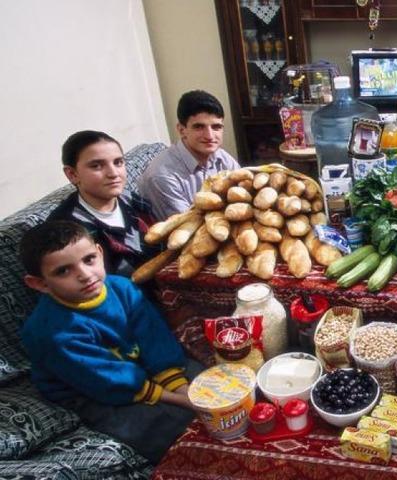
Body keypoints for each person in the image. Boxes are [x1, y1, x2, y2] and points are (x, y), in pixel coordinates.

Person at [19, 221, 201, 463]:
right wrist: (181, 400)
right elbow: (104, 380)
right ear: (39, 283)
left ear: (100, 252)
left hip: (136, 363)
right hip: (90, 388)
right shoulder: (51, 333)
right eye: (63, 271)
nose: (85, 275)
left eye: (89, 259)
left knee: (210, 382)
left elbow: (154, 338)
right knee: (165, 427)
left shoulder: (122, 287)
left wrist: (181, 386)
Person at [48, 130, 159, 278]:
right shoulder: (67, 230)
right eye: (96, 166)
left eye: (118, 162)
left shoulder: (132, 201)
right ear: (72, 174)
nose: (113, 173)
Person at [139, 90, 240, 220]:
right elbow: (186, 226)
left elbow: (243, 195)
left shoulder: (221, 156)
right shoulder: (162, 176)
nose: (210, 136)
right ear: (182, 130)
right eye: (199, 127)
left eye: (216, 127)